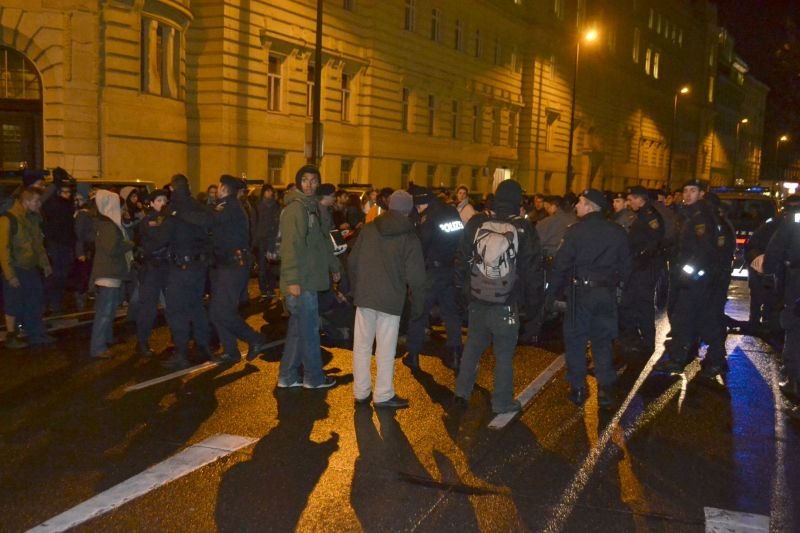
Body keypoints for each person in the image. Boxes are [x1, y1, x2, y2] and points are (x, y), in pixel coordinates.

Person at [454, 180, 544, 414]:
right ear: (517, 202)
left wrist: (464, 292)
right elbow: (532, 271)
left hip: (477, 299)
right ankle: (502, 402)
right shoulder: (523, 228)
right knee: (504, 355)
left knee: (472, 347)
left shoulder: (477, 222)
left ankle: (461, 392)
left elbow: (461, 259)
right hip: (506, 302)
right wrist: (533, 307)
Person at [549, 189, 631, 409]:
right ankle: (605, 389)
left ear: (589, 206)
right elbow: (627, 268)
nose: (576, 205)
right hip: (606, 294)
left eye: (580, 202)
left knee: (576, 340)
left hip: (581, 294)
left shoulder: (575, 231)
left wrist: (551, 295)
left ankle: (578, 388)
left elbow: (560, 265)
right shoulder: (618, 231)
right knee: (602, 341)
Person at [348, 190, 425, 408]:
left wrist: (356, 289)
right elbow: (417, 278)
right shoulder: (409, 237)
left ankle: (361, 391)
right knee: (385, 348)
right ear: (408, 210)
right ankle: (383, 394)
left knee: (362, 346)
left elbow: (352, 262)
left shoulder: (369, 229)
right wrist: (418, 307)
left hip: (365, 296)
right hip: (391, 299)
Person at [277, 165, 341, 389]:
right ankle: (314, 378)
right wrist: (292, 280)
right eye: (304, 180)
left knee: (298, 330)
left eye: (313, 180)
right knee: (310, 331)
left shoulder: (312, 207)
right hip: (302, 281)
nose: (309, 184)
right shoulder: (297, 209)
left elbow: (322, 243)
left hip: (309, 278)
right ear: (298, 182)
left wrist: (333, 266)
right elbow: (290, 247)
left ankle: (287, 376)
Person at [203, 175, 270, 364]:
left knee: (222, 311)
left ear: (224, 189)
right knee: (216, 312)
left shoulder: (229, 207)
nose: (217, 190)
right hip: (224, 265)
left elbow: (208, 220)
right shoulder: (228, 206)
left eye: (219, 187)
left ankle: (254, 338)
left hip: (233, 266)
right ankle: (230, 351)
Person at [656, 179, 719, 374]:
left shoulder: (700, 217)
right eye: (685, 190)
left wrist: (688, 273)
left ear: (701, 194)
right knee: (690, 317)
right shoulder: (688, 214)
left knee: (684, 318)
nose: (688, 194)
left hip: (692, 279)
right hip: (685, 275)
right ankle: (693, 353)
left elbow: (703, 251)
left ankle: (679, 359)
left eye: (693, 190)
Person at [403, 185, 464, 371]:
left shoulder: (428, 217)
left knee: (418, 313)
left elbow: (420, 244)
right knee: (451, 314)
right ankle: (455, 353)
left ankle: (413, 355)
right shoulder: (451, 211)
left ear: (421, 204)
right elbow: (460, 237)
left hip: (430, 273)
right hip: (449, 270)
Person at [160, 174, 214, 370]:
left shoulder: (173, 210)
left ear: (172, 188)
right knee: (196, 306)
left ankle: (181, 352)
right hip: (198, 266)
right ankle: (203, 345)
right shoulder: (197, 206)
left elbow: (163, 238)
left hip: (181, 267)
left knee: (177, 310)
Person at [758, 198, 800, 416]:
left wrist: (769, 273)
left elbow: (775, 251)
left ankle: (794, 381)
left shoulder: (793, 220)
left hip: (796, 286)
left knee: (795, 332)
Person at [0, 187, 55, 348]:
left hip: (30, 268)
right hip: (16, 267)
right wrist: (10, 275)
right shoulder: (8, 219)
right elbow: (3, 250)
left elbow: (38, 244)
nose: (39, 204)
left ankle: (36, 334)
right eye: (36, 201)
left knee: (34, 301)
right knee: (14, 303)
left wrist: (45, 264)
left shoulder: (32, 218)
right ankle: (12, 336)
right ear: (26, 201)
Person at [617, 186, 664, 358]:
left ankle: (647, 342)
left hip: (645, 268)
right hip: (639, 266)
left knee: (642, 304)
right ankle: (633, 338)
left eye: (631, 200)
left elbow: (654, 242)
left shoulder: (650, 216)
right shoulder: (641, 215)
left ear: (640, 199)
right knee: (630, 302)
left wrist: (638, 258)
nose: (629, 203)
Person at [89, 189, 134, 359]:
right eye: (119, 206)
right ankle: (98, 347)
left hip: (110, 274)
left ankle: (106, 338)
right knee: (104, 312)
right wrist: (129, 244)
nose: (122, 209)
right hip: (109, 274)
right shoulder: (109, 226)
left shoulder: (107, 224)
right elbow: (112, 248)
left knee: (109, 310)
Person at [134, 189, 171, 357]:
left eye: (164, 200)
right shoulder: (150, 220)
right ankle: (142, 342)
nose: (162, 203)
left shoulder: (167, 219)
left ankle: (176, 340)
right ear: (152, 203)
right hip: (152, 267)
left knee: (172, 305)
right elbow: (158, 240)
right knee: (148, 307)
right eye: (159, 200)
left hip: (166, 266)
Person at [42, 172, 75, 313]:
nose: (67, 195)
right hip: (56, 243)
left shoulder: (67, 205)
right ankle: (50, 303)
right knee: (55, 275)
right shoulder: (54, 205)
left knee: (61, 275)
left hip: (64, 243)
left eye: (69, 192)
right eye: (64, 192)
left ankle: (55, 303)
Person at [254, 184, 281, 299]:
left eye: (271, 191)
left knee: (272, 265)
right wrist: (254, 240)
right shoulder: (258, 206)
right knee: (262, 265)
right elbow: (254, 223)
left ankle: (271, 287)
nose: (270, 193)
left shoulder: (276, 206)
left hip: (273, 239)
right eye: (268, 191)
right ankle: (263, 288)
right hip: (261, 239)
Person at [535, 195, 576, 261]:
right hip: (570, 258)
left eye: (547, 208)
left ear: (553, 206)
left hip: (550, 258)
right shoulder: (574, 218)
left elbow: (536, 242)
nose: (546, 210)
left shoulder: (547, 222)